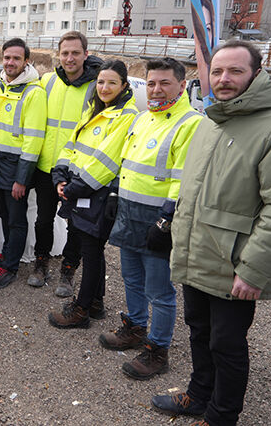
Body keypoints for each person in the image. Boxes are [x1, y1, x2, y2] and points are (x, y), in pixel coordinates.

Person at [151, 41, 271, 426]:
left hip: (234, 262)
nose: (224, 79)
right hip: (199, 252)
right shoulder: (211, 117)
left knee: (226, 344)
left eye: (235, 71)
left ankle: (222, 415)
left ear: (256, 74)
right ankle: (199, 394)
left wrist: (254, 270)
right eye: (218, 71)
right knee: (199, 332)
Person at [100, 57, 201, 380]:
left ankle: (158, 349)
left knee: (160, 289)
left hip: (158, 219)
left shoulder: (190, 123)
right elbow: (127, 161)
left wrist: (167, 219)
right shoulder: (144, 119)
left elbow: (183, 178)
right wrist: (115, 193)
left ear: (182, 85)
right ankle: (136, 326)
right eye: (152, 83)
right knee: (131, 278)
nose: (156, 90)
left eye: (165, 83)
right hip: (130, 213)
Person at [47, 60, 138, 328]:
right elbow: (71, 144)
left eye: (112, 82)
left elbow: (106, 162)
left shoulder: (126, 116)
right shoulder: (93, 110)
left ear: (124, 85)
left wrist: (73, 189)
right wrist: (59, 176)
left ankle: (82, 309)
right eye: (100, 82)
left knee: (91, 250)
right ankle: (96, 301)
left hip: (96, 194)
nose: (104, 87)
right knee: (92, 251)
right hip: (78, 189)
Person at [30, 31, 104, 296]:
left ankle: (69, 269)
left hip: (77, 170)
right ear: (57, 56)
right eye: (65, 53)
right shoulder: (47, 81)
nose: (70, 58)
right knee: (43, 219)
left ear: (86, 53)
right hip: (47, 165)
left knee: (76, 223)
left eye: (75, 53)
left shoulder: (97, 86)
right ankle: (41, 262)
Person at [0, 38, 46, 288]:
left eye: (16, 58)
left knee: (16, 220)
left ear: (26, 61)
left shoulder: (34, 93)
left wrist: (22, 178)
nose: (10, 62)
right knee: (3, 214)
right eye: (7, 57)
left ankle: (10, 267)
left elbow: (33, 140)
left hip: (15, 167)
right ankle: (8, 254)